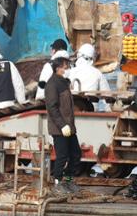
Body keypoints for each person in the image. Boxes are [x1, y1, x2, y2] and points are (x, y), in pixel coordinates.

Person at [45, 56, 81, 195]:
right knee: (62, 155)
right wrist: (62, 125)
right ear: (58, 68)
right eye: (66, 67)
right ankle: (57, 182)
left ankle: (69, 180)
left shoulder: (64, 82)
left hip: (69, 127)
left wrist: (69, 126)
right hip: (59, 128)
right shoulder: (52, 84)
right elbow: (52, 108)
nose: (68, 70)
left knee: (76, 153)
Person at [67, 43, 111, 111]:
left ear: (78, 55)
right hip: (91, 110)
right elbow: (108, 96)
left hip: (72, 110)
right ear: (92, 58)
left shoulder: (70, 72)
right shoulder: (97, 73)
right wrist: (109, 112)